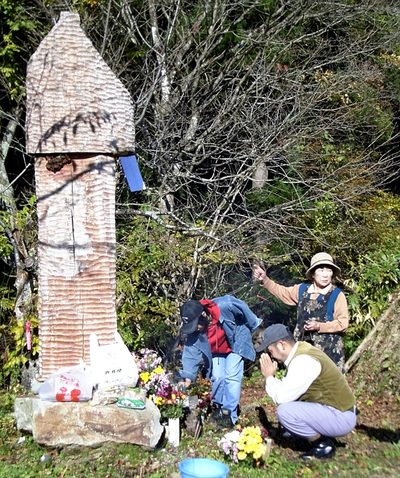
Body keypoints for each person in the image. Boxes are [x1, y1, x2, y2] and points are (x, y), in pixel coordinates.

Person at [257, 323, 357, 459]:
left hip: (341, 416)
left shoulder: (303, 361)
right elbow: (287, 388)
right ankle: (320, 434)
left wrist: (269, 377)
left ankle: (322, 444)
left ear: (282, 345)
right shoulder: (302, 352)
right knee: (288, 408)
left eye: (270, 350)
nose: (271, 355)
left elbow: (282, 398)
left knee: (285, 412)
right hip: (336, 411)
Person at [253, 252, 348, 373]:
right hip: (303, 352)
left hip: (328, 353)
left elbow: (343, 324)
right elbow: (282, 292)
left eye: (329, 270)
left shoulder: (337, 295)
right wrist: (265, 280)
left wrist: (320, 326)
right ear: (313, 273)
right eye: (321, 270)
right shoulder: (302, 290)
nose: (325, 274)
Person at [178, 296, 262, 428]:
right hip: (217, 350)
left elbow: (242, 307)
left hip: (236, 342)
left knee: (232, 375)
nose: (195, 329)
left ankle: (229, 414)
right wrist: (187, 378)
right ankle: (218, 406)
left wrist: (253, 325)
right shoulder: (195, 331)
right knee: (217, 377)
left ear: (204, 315)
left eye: (196, 325)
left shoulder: (224, 306)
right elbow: (190, 352)